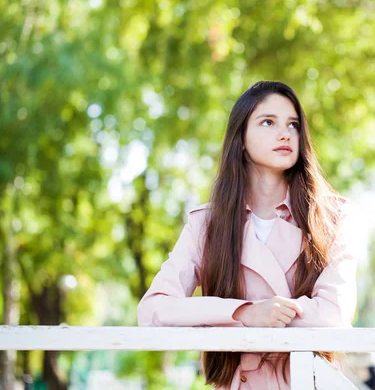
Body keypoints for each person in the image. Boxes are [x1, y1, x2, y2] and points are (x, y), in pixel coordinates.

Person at [137, 81, 357, 389]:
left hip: (307, 382)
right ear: (241, 138)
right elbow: (154, 309)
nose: (285, 134)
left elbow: (335, 313)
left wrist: (274, 314)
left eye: (293, 125)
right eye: (268, 122)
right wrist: (243, 312)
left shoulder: (331, 217)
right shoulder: (209, 224)